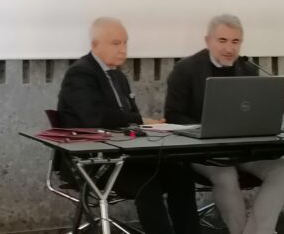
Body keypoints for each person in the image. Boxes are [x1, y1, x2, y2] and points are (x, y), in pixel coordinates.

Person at [58, 17, 200, 234]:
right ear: (95, 45)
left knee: (181, 176)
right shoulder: (80, 74)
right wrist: (140, 121)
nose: (123, 49)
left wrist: (151, 127)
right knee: (147, 184)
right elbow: (95, 118)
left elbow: (128, 119)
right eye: (116, 43)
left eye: (125, 42)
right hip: (92, 160)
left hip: (124, 155)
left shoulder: (118, 77)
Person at [164, 14, 284, 234]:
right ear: (208, 41)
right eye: (222, 40)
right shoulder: (185, 69)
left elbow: (254, 110)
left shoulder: (249, 69)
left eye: (235, 41)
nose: (229, 48)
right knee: (226, 175)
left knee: (281, 169)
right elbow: (172, 115)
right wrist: (205, 128)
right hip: (203, 152)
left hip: (242, 149)